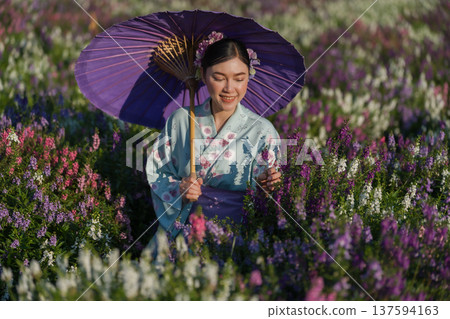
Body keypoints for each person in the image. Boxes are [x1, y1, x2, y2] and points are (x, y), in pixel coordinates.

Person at [146, 38, 282, 243]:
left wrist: (266, 185)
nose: (229, 88)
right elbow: (157, 173)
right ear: (203, 75)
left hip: (238, 237)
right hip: (186, 232)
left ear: (249, 77)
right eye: (219, 78)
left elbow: (272, 197)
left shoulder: (262, 130)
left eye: (239, 78)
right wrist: (180, 190)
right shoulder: (181, 120)